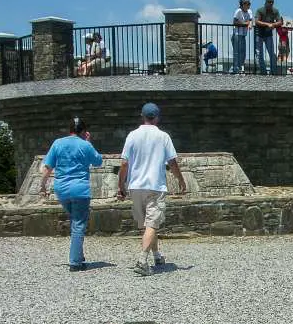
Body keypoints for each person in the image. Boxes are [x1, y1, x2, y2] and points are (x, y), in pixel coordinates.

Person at [116, 102, 187, 276]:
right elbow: (172, 162)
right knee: (152, 224)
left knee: (147, 225)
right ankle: (142, 260)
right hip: (155, 186)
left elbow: (124, 163)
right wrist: (181, 180)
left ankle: (157, 255)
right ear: (157, 118)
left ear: (142, 116)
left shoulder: (132, 136)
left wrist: (121, 186)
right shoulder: (163, 137)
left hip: (136, 186)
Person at [38, 117, 103, 271]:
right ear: (83, 131)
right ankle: (75, 263)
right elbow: (98, 161)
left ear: (70, 130)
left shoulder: (58, 143)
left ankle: (79, 256)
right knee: (79, 225)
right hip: (80, 189)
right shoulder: (84, 145)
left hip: (61, 189)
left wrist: (42, 186)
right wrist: (88, 142)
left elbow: (47, 167)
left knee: (75, 222)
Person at [254, 0, 282, 75]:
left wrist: (273, 24)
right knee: (259, 54)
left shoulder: (275, 11)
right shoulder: (260, 10)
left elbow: (280, 21)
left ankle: (273, 72)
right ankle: (263, 72)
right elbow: (256, 21)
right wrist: (267, 24)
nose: (270, 3)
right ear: (265, 2)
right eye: (269, 2)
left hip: (268, 35)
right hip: (259, 34)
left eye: (272, 2)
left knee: (272, 53)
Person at [231, 0, 253, 74]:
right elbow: (234, 22)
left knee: (243, 52)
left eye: (248, 3)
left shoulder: (249, 11)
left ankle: (240, 67)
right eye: (245, 3)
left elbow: (250, 22)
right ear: (241, 4)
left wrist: (248, 23)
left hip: (243, 35)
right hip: (236, 34)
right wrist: (245, 24)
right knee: (236, 52)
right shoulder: (238, 11)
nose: (247, 5)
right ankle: (235, 69)